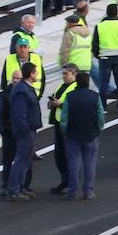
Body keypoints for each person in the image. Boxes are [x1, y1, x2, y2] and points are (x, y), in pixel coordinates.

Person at [59, 71, 104, 200]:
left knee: (73, 164)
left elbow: (64, 119)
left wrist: (65, 132)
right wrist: (98, 129)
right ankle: (88, 190)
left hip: (73, 135)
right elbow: (100, 116)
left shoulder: (70, 97)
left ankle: (72, 191)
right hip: (91, 134)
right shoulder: (95, 96)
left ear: (77, 82)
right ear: (88, 82)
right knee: (90, 163)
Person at [6, 62, 42, 201]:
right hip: (25, 132)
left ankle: (20, 187)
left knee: (25, 160)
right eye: (35, 72)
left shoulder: (25, 88)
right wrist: (26, 131)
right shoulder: (22, 90)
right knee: (21, 160)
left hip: (29, 129)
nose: (37, 74)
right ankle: (14, 189)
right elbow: (20, 114)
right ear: (31, 74)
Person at [48, 64, 80, 195]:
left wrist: (60, 104)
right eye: (63, 73)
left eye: (66, 74)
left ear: (74, 74)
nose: (64, 76)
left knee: (68, 156)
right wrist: (51, 103)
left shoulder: (76, 87)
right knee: (59, 156)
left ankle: (70, 183)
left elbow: (75, 104)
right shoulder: (61, 86)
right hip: (58, 124)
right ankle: (65, 181)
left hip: (68, 126)